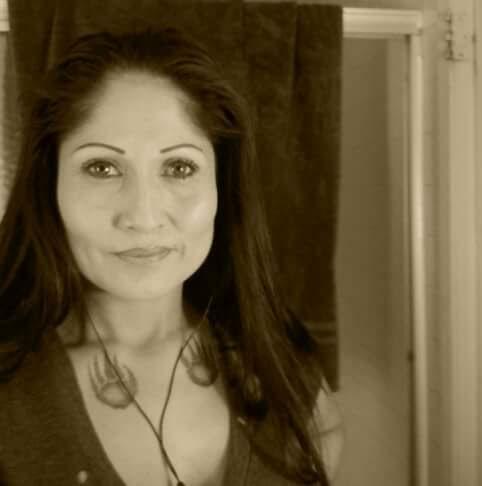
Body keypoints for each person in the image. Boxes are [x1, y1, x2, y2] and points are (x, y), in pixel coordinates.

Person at [0, 28, 343, 486]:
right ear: (50, 186)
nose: (143, 217)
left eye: (179, 167)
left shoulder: (289, 377)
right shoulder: (11, 389)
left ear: (221, 186)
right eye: (102, 167)